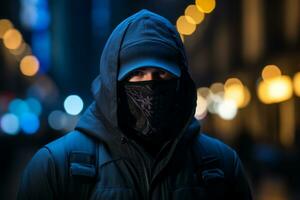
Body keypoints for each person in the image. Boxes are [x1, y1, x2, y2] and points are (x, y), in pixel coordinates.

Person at [17, 9, 252, 200]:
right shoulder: (55, 166)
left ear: (181, 82)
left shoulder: (220, 165)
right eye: (137, 73)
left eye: (161, 73)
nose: (150, 84)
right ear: (113, 82)